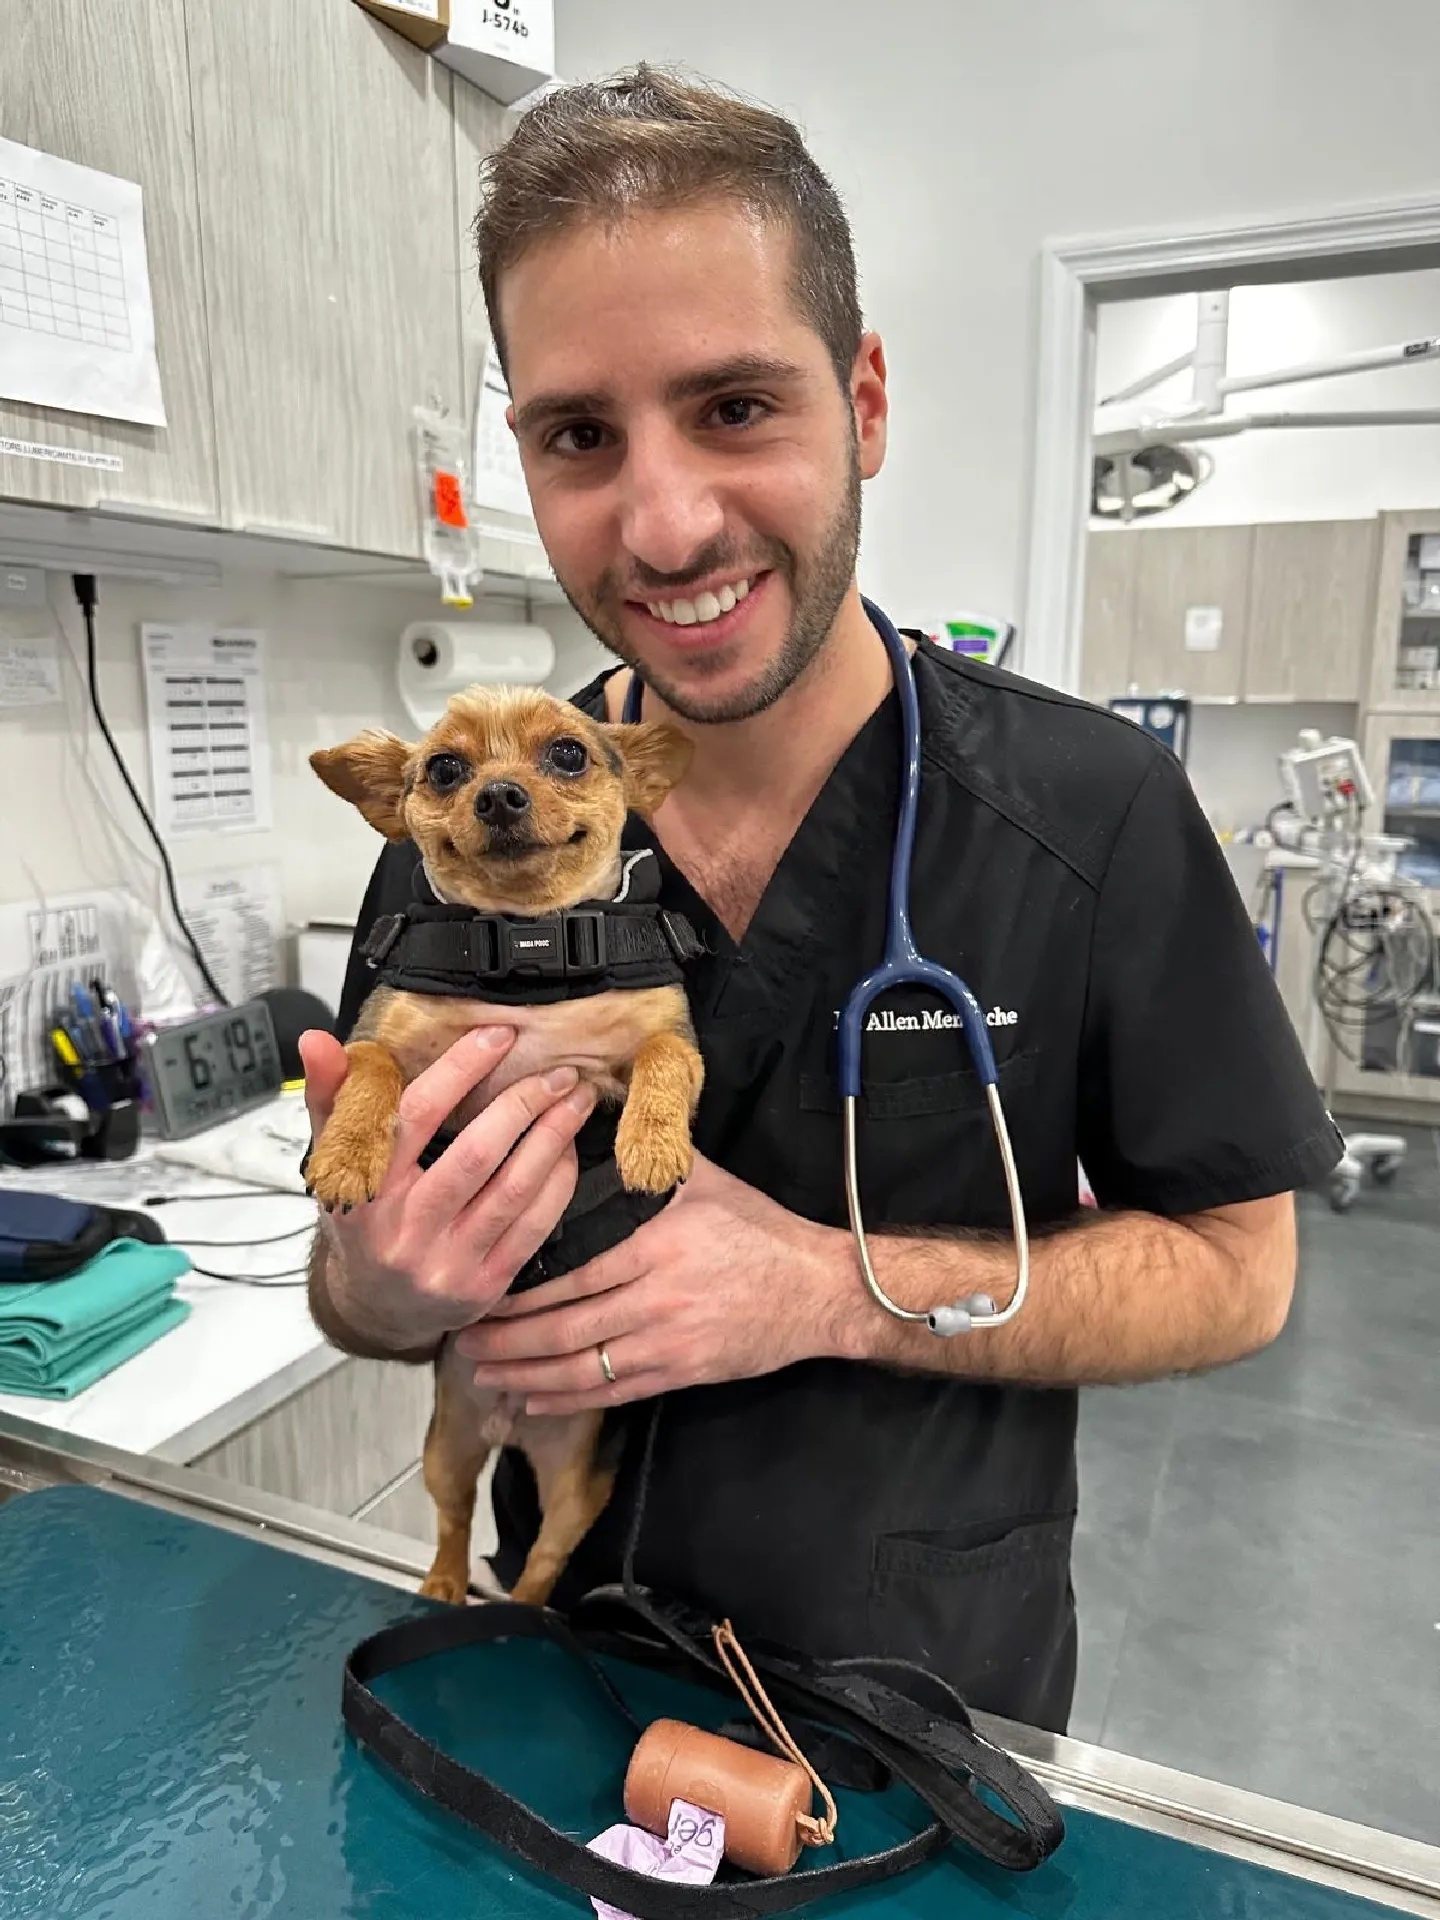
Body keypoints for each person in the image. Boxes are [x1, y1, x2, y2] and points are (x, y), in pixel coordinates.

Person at [302, 67, 1341, 1733]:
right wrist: (384, 1289)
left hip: (918, 1719)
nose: (664, 521)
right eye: (582, 435)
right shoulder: (454, 843)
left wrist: (819, 1285)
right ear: (526, 456)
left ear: (862, 402)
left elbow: (1241, 1270)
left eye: (734, 408)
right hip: (539, 1680)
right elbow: (351, 1285)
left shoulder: (1090, 817)